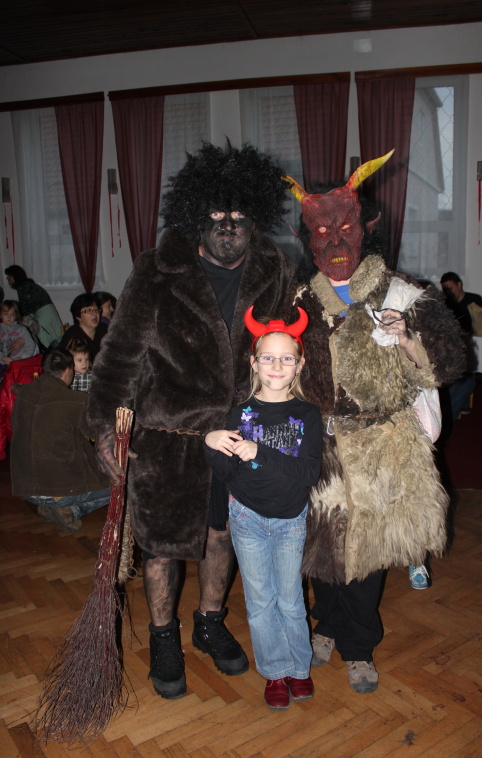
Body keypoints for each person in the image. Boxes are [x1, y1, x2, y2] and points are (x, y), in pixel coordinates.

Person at [87, 142, 295, 700]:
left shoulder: (274, 268)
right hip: (167, 436)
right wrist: (105, 426)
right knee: (162, 546)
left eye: (238, 215)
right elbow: (120, 354)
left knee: (222, 535)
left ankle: (208, 622)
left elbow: (288, 344)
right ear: (195, 216)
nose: (227, 225)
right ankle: (163, 637)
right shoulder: (157, 270)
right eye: (215, 214)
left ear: (254, 219)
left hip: (239, 433)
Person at [283, 153, 466, 693]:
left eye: (345, 228)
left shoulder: (403, 292)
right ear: (307, 240)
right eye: (322, 232)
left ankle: (359, 647)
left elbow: (448, 362)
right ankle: (326, 625)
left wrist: (407, 338)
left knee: (366, 554)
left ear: (365, 228)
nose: (335, 241)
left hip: (383, 447)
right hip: (318, 447)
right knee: (321, 549)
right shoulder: (297, 299)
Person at [204, 307, 322, 710]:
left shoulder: (307, 414)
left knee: (289, 600)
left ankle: (299, 668)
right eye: (268, 357)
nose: (276, 365)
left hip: (290, 519)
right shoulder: (239, 413)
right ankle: (275, 671)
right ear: (253, 362)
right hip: (247, 516)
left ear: (299, 364)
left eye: (286, 358)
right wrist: (211, 442)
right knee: (259, 602)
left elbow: (309, 472)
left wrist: (261, 452)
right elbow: (226, 472)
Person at [10, 348, 110, 533]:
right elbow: (101, 435)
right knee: (122, 484)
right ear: (68, 371)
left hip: (26, 488)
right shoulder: (76, 400)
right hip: (60, 490)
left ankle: (49, 506)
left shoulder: (24, 393)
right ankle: (71, 509)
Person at [440, 271, 482, 422]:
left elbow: (481, 323)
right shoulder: (446, 304)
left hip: (474, 341)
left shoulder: (474, 300)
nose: (448, 292)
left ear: (459, 285)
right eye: (445, 289)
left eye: (450, 288)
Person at [4, 265, 63, 349]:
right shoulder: (28, 284)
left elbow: (24, 310)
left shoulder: (22, 287)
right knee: (56, 337)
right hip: (49, 310)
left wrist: (17, 319)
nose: (7, 278)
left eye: (9, 276)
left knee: (44, 339)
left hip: (43, 313)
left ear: (15, 276)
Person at [60, 294, 107, 363]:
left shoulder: (104, 328)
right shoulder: (72, 336)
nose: (94, 314)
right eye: (89, 311)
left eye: (96, 309)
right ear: (78, 317)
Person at [1, 300, 39, 376]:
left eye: (12, 314)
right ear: (0, 315)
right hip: (3, 363)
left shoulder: (21, 329)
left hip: (19, 362)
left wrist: (22, 358)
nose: (9, 317)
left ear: (16, 316)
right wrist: (3, 358)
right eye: (6, 314)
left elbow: (31, 345)